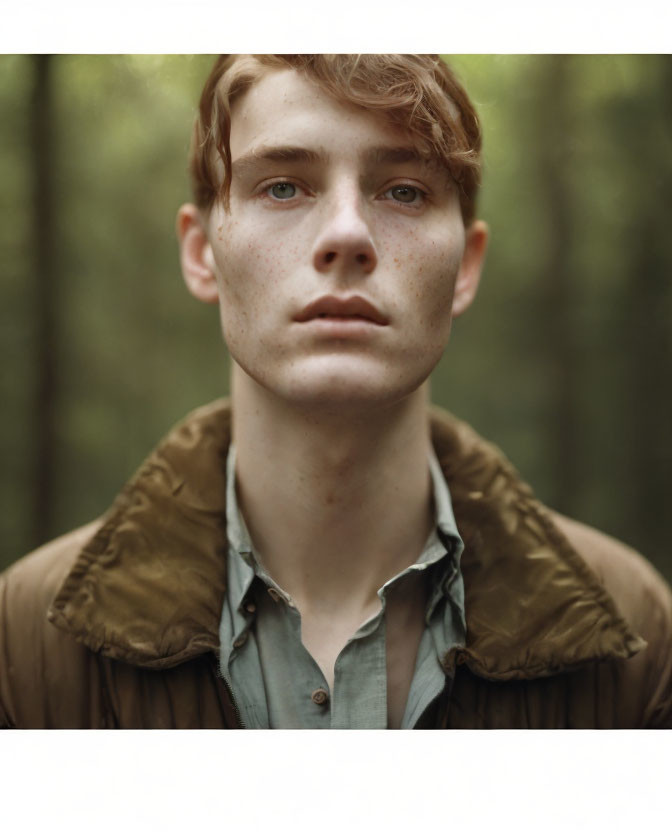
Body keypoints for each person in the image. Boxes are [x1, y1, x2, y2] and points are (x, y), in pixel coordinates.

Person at [1, 54, 670, 729]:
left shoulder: (638, 634)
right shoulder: (24, 643)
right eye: (284, 187)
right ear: (202, 251)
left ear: (465, 266)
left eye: (404, 190)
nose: (346, 234)